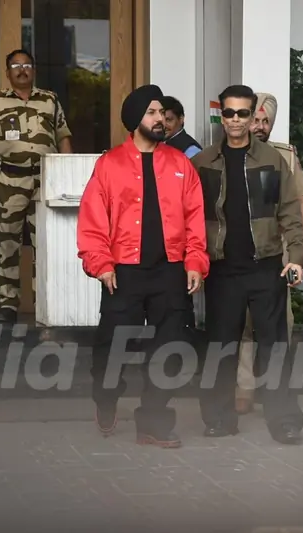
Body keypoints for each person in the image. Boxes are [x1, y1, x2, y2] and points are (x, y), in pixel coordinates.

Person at [77, 84, 209, 448]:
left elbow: (196, 217)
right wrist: (100, 263)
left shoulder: (181, 164)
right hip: (123, 272)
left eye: (163, 113)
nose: (160, 119)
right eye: (152, 113)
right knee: (110, 348)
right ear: (135, 119)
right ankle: (106, 397)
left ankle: (152, 422)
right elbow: (91, 221)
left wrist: (195, 260)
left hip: (170, 271)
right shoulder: (109, 165)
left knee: (169, 348)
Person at [191, 84, 303, 445]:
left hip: (266, 265)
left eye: (244, 113)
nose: (236, 120)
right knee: (221, 346)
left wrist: (299, 256)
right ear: (221, 116)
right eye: (230, 113)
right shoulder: (203, 163)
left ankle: (284, 420)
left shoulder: (272, 160)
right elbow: (190, 217)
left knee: (274, 346)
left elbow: (289, 210)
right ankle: (219, 418)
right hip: (222, 268)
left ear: (254, 115)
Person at [0, 48, 73, 324]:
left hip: (44, 181)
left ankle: (45, 304)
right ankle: (8, 306)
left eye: (27, 65)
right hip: (8, 182)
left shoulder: (50, 100)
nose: (22, 70)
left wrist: (67, 173)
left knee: (47, 244)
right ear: (7, 72)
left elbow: (63, 136)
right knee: (7, 243)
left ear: (34, 69)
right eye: (16, 65)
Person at [234, 92, 303, 415]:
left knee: (280, 322)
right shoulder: (229, 154)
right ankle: (243, 388)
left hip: (277, 254)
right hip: (240, 254)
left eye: (265, 121)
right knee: (242, 322)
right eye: (255, 118)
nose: (258, 125)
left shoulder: (284, 156)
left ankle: (275, 389)